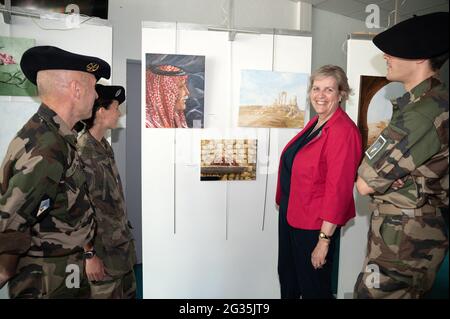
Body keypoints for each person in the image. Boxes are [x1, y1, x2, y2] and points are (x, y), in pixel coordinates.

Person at [0, 45, 110, 298]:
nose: (95, 96)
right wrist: (5, 271)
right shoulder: (46, 147)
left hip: (63, 272)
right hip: (46, 283)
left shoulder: (57, 137)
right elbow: (9, 224)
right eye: (93, 87)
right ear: (77, 89)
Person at [354, 12, 449, 299]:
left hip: (403, 245)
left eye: (396, 50)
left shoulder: (422, 114)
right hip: (405, 236)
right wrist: (401, 178)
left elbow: (365, 182)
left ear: (420, 57)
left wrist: (396, 179)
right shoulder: (425, 103)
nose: (386, 56)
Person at [275, 65, 362, 299]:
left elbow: (339, 190)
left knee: (314, 288)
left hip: (314, 225)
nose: (320, 95)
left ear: (341, 94)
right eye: (316, 88)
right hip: (292, 214)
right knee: (289, 278)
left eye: (329, 90)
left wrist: (323, 241)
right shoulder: (316, 123)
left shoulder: (344, 131)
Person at [76, 84, 137, 299]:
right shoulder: (82, 151)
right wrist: (89, 254)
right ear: (101, 112)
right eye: (116, 107)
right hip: (101, 252)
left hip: (119, 248)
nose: (119, 112)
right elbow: (77, 208)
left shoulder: (103, 146)